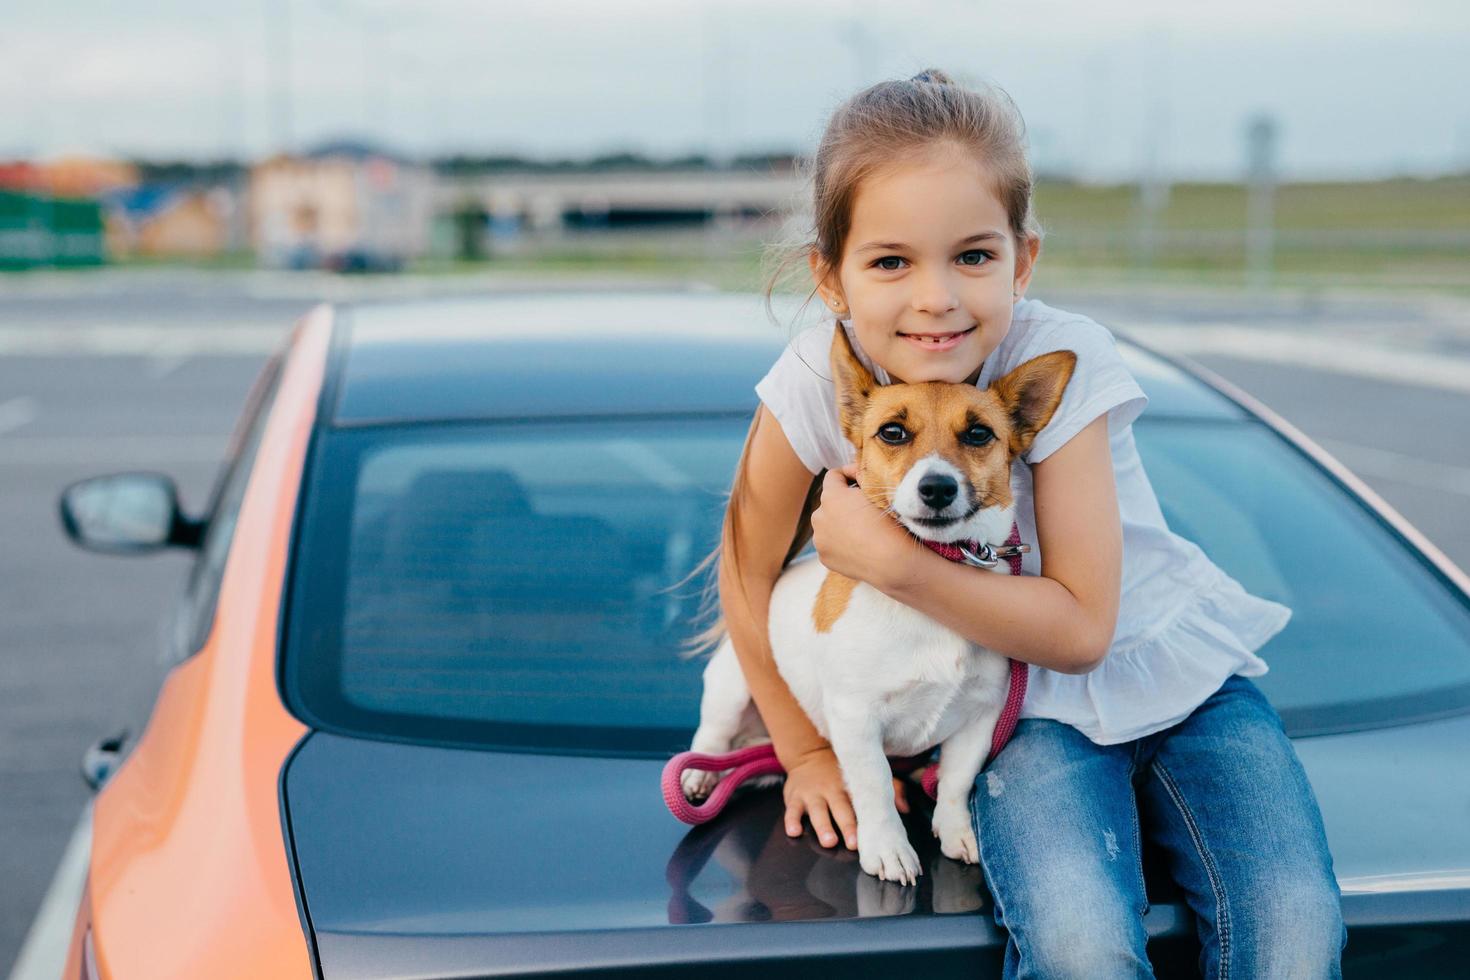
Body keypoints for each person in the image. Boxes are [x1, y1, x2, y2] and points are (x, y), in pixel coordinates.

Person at [709, 68, 1346, 978]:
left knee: (1292, 929)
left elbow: (1085, 630)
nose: (937, 298)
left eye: (973, 256)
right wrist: (804, 747)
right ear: (831, 274)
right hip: (1017, 705)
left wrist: (889, 562)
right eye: (891, 261)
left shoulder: (1061, 356)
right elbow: (746, 565)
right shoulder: (820, 377)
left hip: (1171, 668)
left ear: (1023, 258)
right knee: (1080, 947)